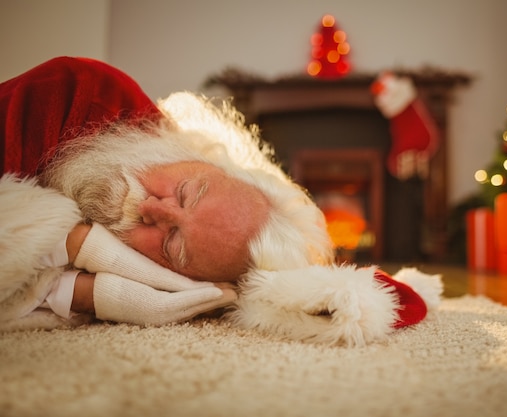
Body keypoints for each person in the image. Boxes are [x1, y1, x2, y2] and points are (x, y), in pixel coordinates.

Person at [0, 57, 442, 346]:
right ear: (204, 160)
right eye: (188, 191)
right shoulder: (86, 91)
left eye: (172, 245)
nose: (153, 209)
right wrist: (77, 259)